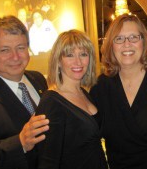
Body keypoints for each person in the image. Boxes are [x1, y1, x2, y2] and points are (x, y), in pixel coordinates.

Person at [90, 14, 147, 169]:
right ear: (111, 45)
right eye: (119, 39)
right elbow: (85, 133)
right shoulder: (100, 87)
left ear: (144, 42)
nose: (127, 44)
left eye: (133, 37)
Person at [0, 15, 50, 169]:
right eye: (5, 50)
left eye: (21, 48)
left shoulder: (38, 79)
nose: (15, 57)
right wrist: (19, 143)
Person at [35, 29, 108, 169]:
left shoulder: (84, 93)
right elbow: (48, 161)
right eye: (69, 55)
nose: (78, 61)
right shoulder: (51, 102)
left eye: (83, 54)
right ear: (59, 61)